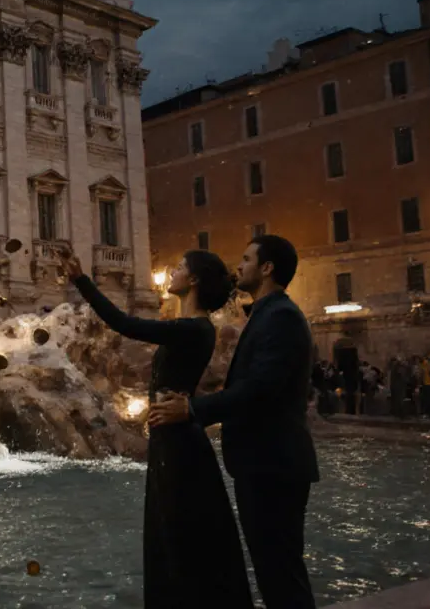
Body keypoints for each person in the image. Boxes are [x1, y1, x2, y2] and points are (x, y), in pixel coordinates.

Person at [60, 249, 253, 609]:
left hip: (180, 442)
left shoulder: (193, 329)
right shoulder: (190, 328)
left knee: (179, 532)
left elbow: (125, 323)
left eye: (179, 267)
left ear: (193, 280)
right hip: (172, 437)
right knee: (175, 531)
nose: (173, 271)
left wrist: (82, 282)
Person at [150, 235, 320, 609]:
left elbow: (261, 387)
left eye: (246, 259)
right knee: (272, 571)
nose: (238, 266)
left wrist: (193, 410)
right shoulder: (267, 315)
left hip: (274, 465)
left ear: (267, 268)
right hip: (263, 464)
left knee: (281, 573)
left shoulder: (282, 317)